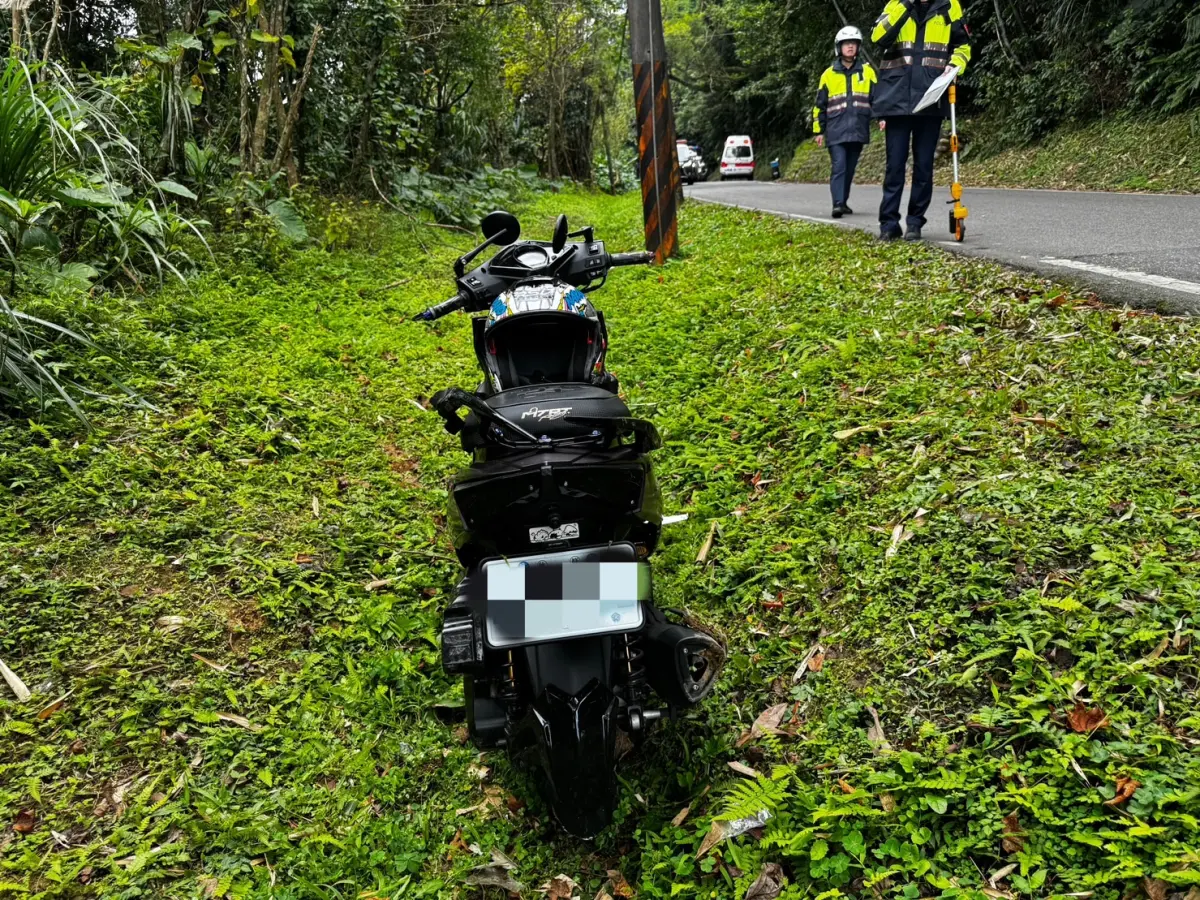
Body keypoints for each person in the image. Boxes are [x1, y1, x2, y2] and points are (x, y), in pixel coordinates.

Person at [871, 0, 971, 241]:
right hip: (897, 98)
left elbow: (963, 46)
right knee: (895, 165)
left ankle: (915, 223)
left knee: (924, 166)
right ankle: (889, 224)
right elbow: (878, 37)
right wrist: (905, 5)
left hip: (930, 97)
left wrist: (955, 65)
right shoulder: (896, 4)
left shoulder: (949, 6)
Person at [811, 26, 882, 219]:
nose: (850, 47)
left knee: (849, 169)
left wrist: (881, 118)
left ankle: (843, 202)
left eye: (853, 43)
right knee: (839, 166)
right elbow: (819, 105)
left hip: (858, 129)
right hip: (835, 130)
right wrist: (819, 131)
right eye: (846, 44)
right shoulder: (828, 75)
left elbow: (876, 98)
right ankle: (837, 204)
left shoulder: (867, 72)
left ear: (858, 47)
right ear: (839, 47)